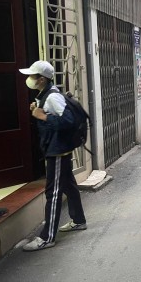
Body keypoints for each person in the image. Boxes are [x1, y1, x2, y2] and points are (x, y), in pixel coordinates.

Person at [19, 60, 88, 252]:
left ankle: (47, 237)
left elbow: (68, 120)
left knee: (54, 192)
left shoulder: (52, 97)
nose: (29, 79)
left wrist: (42, 116)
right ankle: (79, 220)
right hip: (56, 148)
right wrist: (38, 109)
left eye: (32, 76)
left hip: (57, 151)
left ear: (41, 79)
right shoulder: (46, 94)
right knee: (68, 186)